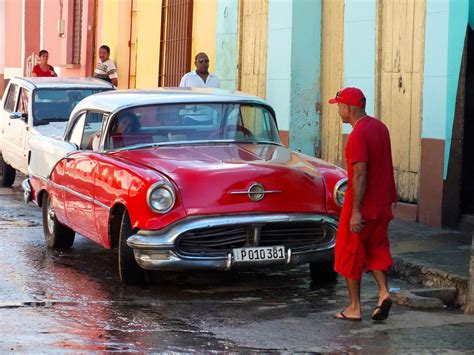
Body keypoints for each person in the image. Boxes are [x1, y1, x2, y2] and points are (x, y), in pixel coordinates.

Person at [328, 87, 397, 322]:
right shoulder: (380, 127)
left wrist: (356, 211)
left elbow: (360, 174)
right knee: (377, 248)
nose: (338, 110)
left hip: (362, 204)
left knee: (350, 252)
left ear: (348, 108)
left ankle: (354, 307)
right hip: (383, 203)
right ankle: (383, 293)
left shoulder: (357, 135)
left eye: (339, 105)